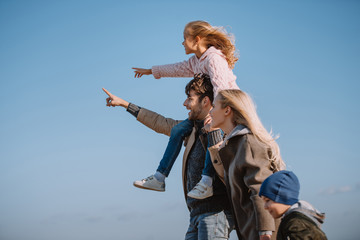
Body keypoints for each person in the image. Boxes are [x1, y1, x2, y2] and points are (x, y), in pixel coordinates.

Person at [103, 74, 234, 240]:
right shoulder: (189, 130)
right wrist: (124, 104)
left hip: (215, 213)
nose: (185, 103)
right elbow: (159, 122)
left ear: (206, 101)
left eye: (189, 99)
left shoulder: (223, 131)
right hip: (195, 213)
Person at [132, 20, 240, 199]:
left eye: (184, 38)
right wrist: (152, 71)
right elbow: (177, 68)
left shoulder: (214, 59)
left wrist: (215, 116)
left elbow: (221, 89)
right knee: (178, 129)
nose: (182, 43)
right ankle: (160, 177)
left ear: (196, 39)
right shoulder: (196, 61)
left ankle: (206, 181)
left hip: (228, 109)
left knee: (210, 135)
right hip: (215, 109)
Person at [206, 89, 285, 240]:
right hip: (250, 229)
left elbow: (261, 189)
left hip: (261, 233)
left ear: (227, 110)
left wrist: (265, 232)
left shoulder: (248, 142)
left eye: (214, 106)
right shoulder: (233, 144)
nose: (210, 112)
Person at [259, 170, 328, 240]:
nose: (265, 207)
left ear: (283, 197)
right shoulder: (295, 220)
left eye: (267, 200)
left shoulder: (296, 225)